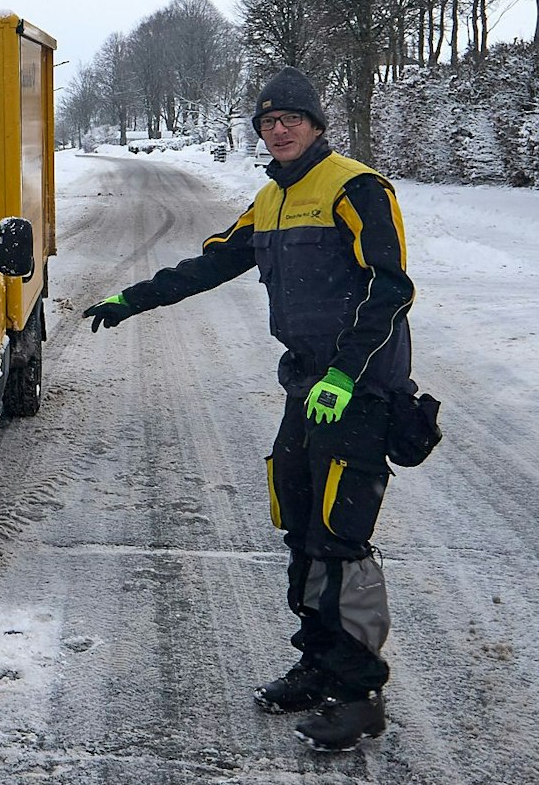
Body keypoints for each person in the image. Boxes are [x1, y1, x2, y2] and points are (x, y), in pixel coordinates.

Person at [81, 66, 416, 754]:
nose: (279, 128)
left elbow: (389, 289)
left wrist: (347, 376)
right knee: (297, 520)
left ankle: (357, 694)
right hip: (306, 388)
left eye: (290, 117)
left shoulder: (355, 187)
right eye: (267, 121)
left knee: (338, 536)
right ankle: (318, 662)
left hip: (359, 390)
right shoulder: (270, 199)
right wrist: (130, 299)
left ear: (316, 124)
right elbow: (211, 263)